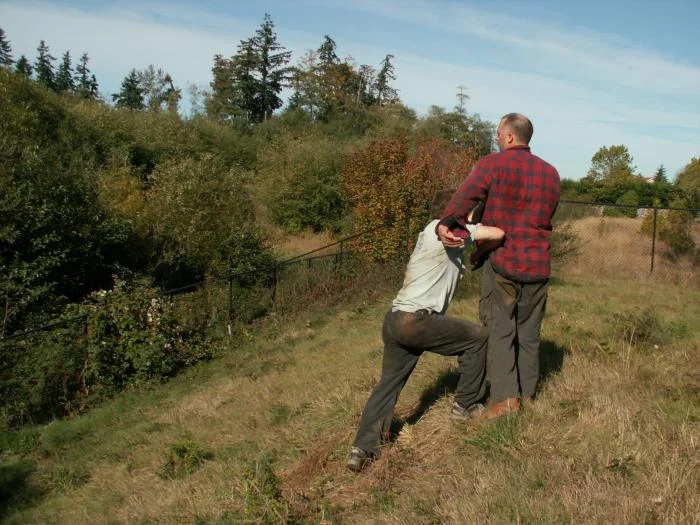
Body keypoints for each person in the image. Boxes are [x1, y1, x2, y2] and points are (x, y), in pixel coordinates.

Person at [347, 194, 505, 472]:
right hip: (415, 320)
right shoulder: (448, 228)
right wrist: (477, 236)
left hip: (395, 320)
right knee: (477, 338)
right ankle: (465, 406)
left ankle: (362, 448)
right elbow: (499, 232)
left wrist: (476, 250)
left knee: (389, 384)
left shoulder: (433, 233)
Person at [437, 113, 560, 421]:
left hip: (504, 260)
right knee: (529, 332)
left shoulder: (494, 164)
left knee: (500, 329)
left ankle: (505, 401)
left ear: (508, 137)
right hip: (539, 264)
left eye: (497, 134)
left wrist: (447, 224)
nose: (496, 139)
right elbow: (547, 214)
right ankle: (527, 391)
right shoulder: (551, 173)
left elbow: (464, 198)